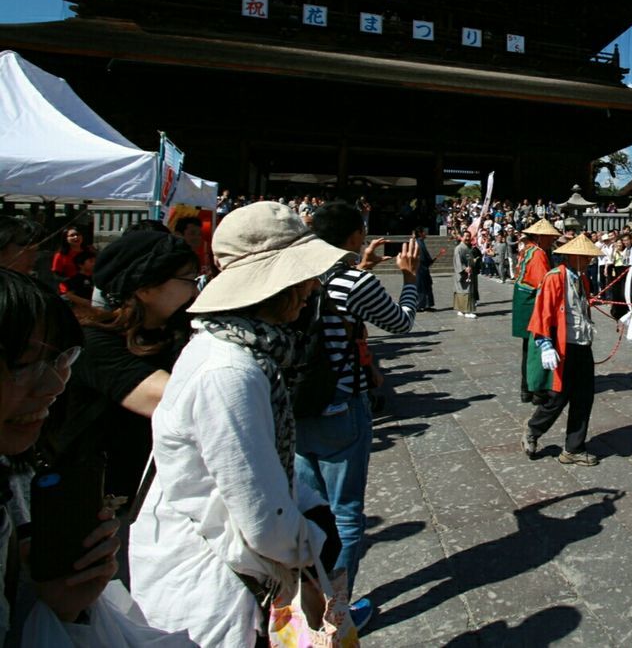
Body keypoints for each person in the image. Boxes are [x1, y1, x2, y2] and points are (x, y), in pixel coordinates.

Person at [129, 202, 348, 645]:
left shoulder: (233, 347)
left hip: (222, 561)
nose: (310, 289)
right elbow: (263, 518)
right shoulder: (232, 372)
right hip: (214, 581)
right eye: (303, 277)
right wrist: (314, 538)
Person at [47, 230, 199, 567]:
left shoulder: (180, 333)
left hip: (155, 501)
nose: (196, 286)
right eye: (188, 278)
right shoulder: (95, 343)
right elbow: (173, 402)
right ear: (145, 289)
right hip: (100, 509)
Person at [306, 202, 419, 625]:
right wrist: (409, 278)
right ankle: (337, 611)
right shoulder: (354, 280)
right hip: (341, 402)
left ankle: (308, 601)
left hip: (299, 406)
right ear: (355, 236)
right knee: (345, 512)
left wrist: (362, 267)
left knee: (308, 507)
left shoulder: (303, 276)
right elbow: (402, 323)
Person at [0, 269, 121, 640]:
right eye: (25, 365)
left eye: (62, 360)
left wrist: (61, 607)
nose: (53, 386)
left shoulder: (14, 478)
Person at [522, 234, 602, 466]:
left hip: (582, 344)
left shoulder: (583, 279)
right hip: (562, 346)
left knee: (584, 397)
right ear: (573, 256)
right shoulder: (555, 277)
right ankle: (532, 429)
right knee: (558, 396)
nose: (589, 261)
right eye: (585, 257)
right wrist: (545, 343)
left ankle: (573, 448)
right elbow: (542, 312)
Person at [513, 219, 558, 403]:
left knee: (527, 348)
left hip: (523, 302)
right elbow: (543, 283)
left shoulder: (527, 250)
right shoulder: (538, 253)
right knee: (536, 347)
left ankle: (526, 389)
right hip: (533, 304)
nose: (552, 241)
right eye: (550, 237)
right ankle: (538, 390)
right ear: (540, 236)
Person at [453, 230, 477, 318]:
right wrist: (464, 268)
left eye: (469, 236)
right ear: (461, 237)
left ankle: (461, 310)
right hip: (463, 274)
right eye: (466, 236)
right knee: (465, 292)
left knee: (464, 291)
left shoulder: (467, 247)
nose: (467, 238)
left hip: (469, 272)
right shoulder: (459, 248)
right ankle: (467, 311)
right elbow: (458, 261)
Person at [413, 226, 436, 311]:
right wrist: (429, 261)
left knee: (426, 286)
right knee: (421, 286)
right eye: (424, 232)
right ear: (420, 233)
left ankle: (427, 305)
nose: (425, 233)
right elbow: (422, 257)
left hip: (423, 268)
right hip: (421, 268)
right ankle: (420, 305)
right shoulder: (418, 243)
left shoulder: (420, 242)